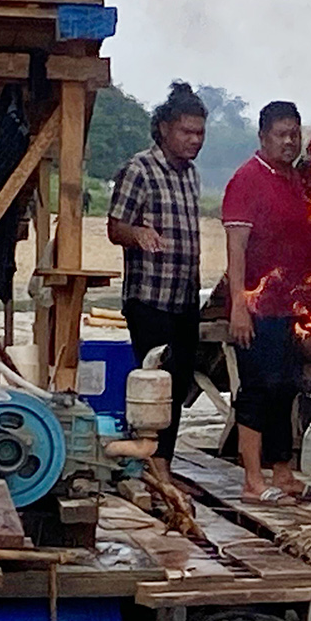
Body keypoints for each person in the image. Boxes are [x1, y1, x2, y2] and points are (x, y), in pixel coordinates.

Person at [221, 101, 311, 505]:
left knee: (287, 390)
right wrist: (238, 305)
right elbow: (236, 248)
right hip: (258, 308)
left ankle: (283, 475)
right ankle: (252, 481)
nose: (288, 142)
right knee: (257, 390)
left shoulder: (295, 179)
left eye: (294, 134)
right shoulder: (247, 180)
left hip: (292, 308)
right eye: (280, 135)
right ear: (263, 137)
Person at [108, 81, 207, 473]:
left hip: (184, 298)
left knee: (178, 383)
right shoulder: (140, 169)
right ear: (164, 128)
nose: (194, 141)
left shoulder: (192, 175)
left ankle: (161, 463)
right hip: (150, 298)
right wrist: (138, 233)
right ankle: (150, 468)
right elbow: (115, 228)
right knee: (154, 383)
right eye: (187, 132)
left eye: (200, 133)